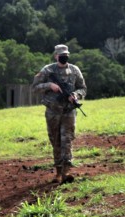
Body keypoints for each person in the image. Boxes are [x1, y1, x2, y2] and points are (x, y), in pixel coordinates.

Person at [32, 44, 87, 184]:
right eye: (61, 54)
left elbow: (82, 88)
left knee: (67, 140)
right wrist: (49, 86)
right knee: (55, 141)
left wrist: (75, 95)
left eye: (66, 54)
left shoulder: (75, 70)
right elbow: (34, 87)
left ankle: (66, 172)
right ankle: (58, 172)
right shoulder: (47, 70)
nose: (64, 56)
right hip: (53, 112)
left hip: (69, 111)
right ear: (56, 55)